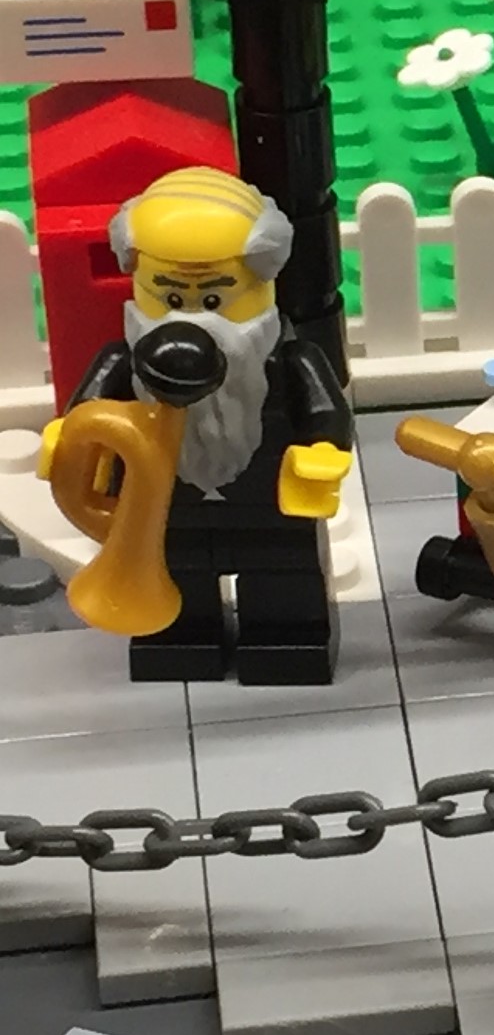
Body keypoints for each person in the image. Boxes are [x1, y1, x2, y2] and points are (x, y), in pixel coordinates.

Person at [48, 167, 352, 684]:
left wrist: (322, 451)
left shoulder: (290, 361)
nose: (190, 322)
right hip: (166, 518)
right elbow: (83, 422)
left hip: (271, 513)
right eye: (170, 299)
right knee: (179, 583)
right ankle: (180, 639)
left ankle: (285, 640)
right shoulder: (125, 363)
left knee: (282, 585)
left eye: (214, 301)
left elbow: (326, 413)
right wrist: (69, 447)